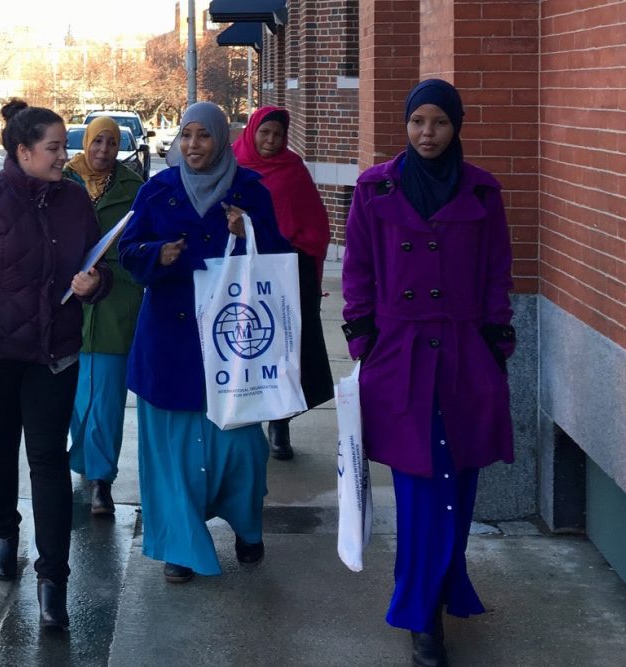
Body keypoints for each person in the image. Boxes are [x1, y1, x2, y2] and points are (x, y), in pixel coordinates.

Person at [341, 79, 516, 667]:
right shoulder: (376, 188)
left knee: (458, 483)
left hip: (466, 353)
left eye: (439, 122)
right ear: (406, 125)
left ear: (456, 125)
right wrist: (360, 332)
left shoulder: (483, 192)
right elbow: (358, 265)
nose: (427, 134)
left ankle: (444, 588)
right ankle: (421, 615)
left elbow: (497, 269)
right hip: (401, 353)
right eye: (418, 122)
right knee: (419, 485)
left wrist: (497, 334)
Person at [0, 99, 112, 631]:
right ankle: (4, 534)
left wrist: (94, 285)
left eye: (64, 147)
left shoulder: (75, 202)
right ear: (23, 151)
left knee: (49, 461)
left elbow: (100, 269)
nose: (65, 157)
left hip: (54, 356)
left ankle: (53, 578)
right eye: (54, 148)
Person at [118, 101, 292, 584]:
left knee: (242, 452)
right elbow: (127, 253)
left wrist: (249, 229)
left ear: (221, 139)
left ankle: (247, 526)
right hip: (169, 344)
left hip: (233, 343)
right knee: (173, 455)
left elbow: (280, 260)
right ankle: (180, 543)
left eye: (204, 136)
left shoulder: (250, 191)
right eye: (186, 136)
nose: (193, 146)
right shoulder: (158, 190)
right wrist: (158, 253)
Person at [232, 106, 334, 461]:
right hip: (243, 272)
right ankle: (248, 422)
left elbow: (315, 225)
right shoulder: (232, 166)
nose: (271, 141)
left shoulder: (293, 171)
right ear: (252, 132)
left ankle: (281, 422)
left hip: (287, 272)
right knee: (248, 345)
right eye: (265, 133)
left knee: (286, 349)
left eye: (277, 135)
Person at [62, 117, 144, 516]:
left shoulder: (133, 188)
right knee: (78, 399)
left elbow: (141, 248)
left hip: (116, 304)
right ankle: (84, 460)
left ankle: (100, 480)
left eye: (111, 144)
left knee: (106, 399)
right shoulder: (62, 181)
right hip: (68, 306)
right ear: (86, 142)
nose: (103, 151)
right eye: (98, 142)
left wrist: (107, 276)